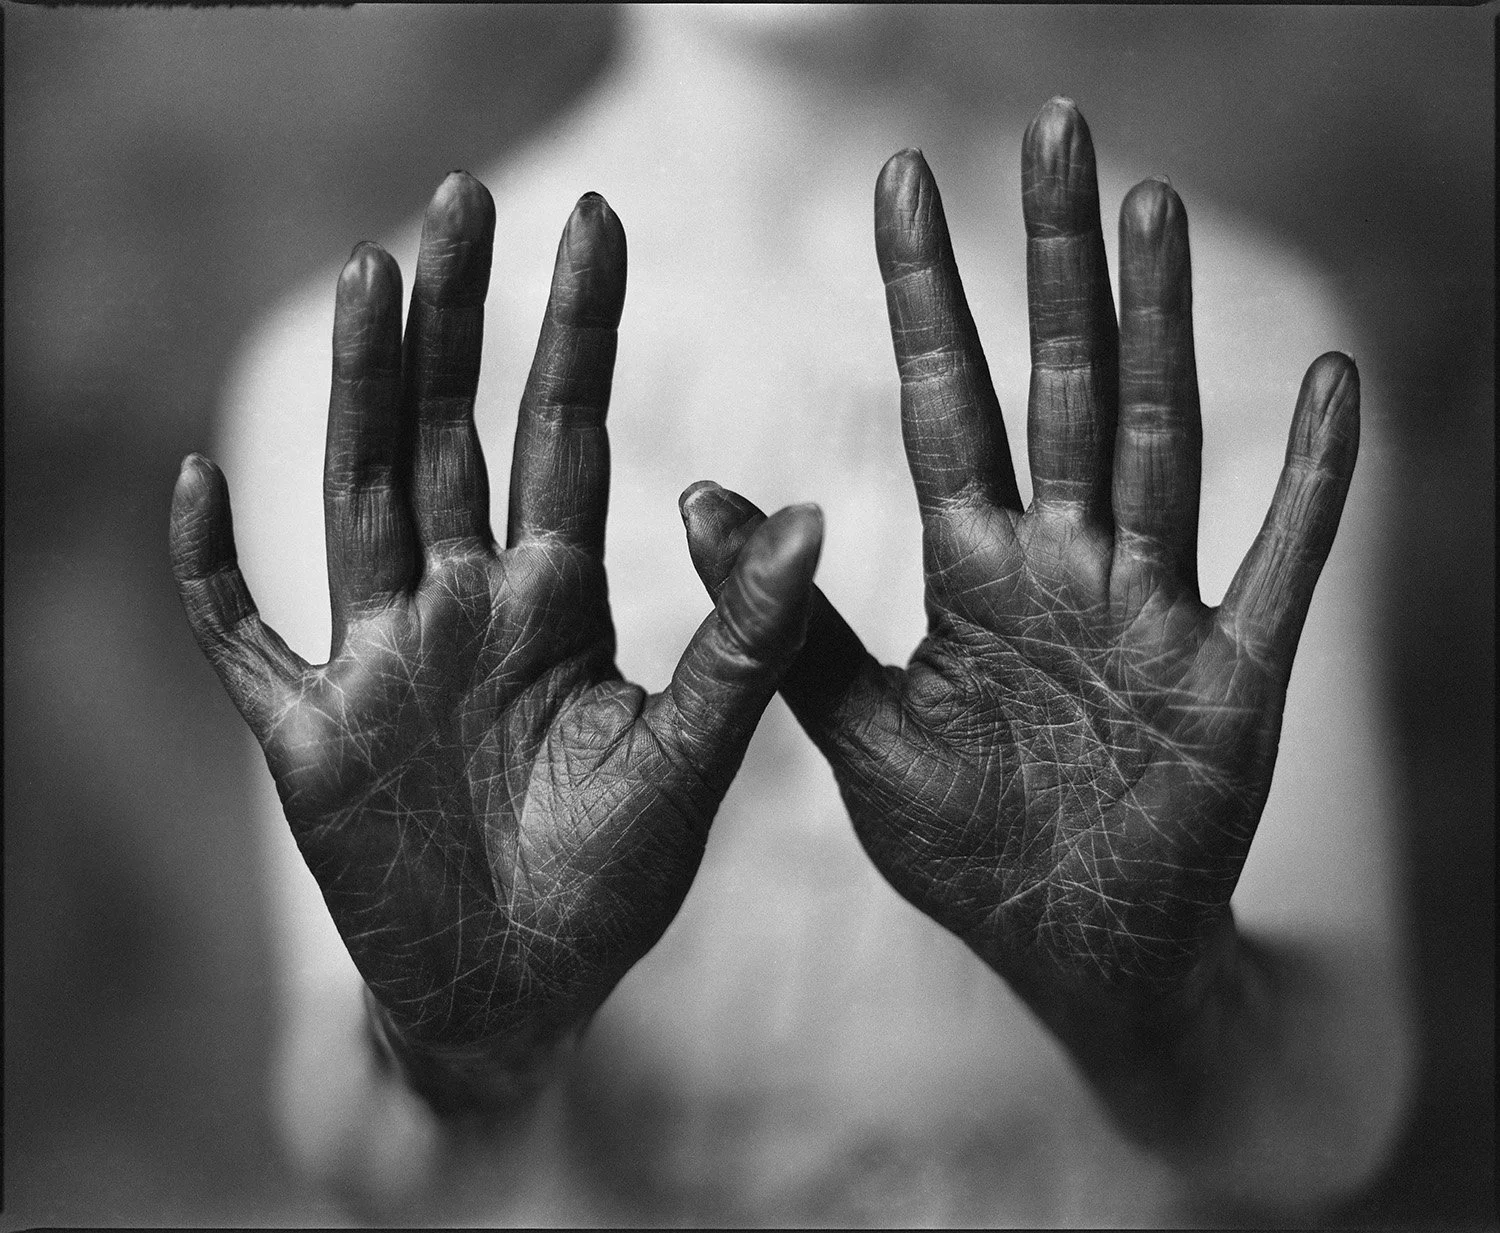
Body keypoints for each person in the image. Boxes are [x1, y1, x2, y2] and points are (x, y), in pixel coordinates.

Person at [174, 8, 1413, 1223]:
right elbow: (372, 1164)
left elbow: (1327, 1127)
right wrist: (455, 1057)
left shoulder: (1228, 358)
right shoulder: (358, 397)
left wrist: (1169, 1008)